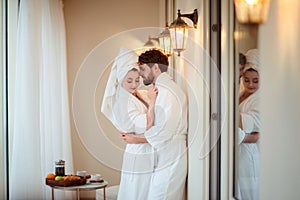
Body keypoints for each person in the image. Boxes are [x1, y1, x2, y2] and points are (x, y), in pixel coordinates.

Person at [121, 49, 188, 200]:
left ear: (156, 67)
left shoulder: (169, 91)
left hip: (171, 155)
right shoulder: (161, 90)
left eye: (143, 69)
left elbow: (164, 130)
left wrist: (136, 139)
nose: (141, 74)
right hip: (164, 154)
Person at [101, 48, 158, 200]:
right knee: (138, 192)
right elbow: (146, 123)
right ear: (120, 79)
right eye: (129, 81)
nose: (134, 85)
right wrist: (152, 101)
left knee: (145, 191)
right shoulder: (122, 102)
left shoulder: (136, 94)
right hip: (139, 153)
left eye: (137, 80)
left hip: (145, 151)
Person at [238, 62, 261, 199]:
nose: (250, 84)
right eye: (246, 80)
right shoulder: (240, 94)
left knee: (250, 190)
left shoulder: (261, 98)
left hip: (249, 152)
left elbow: (254, 124)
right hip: (239, 150)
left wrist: (228, 110)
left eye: (256, 81)